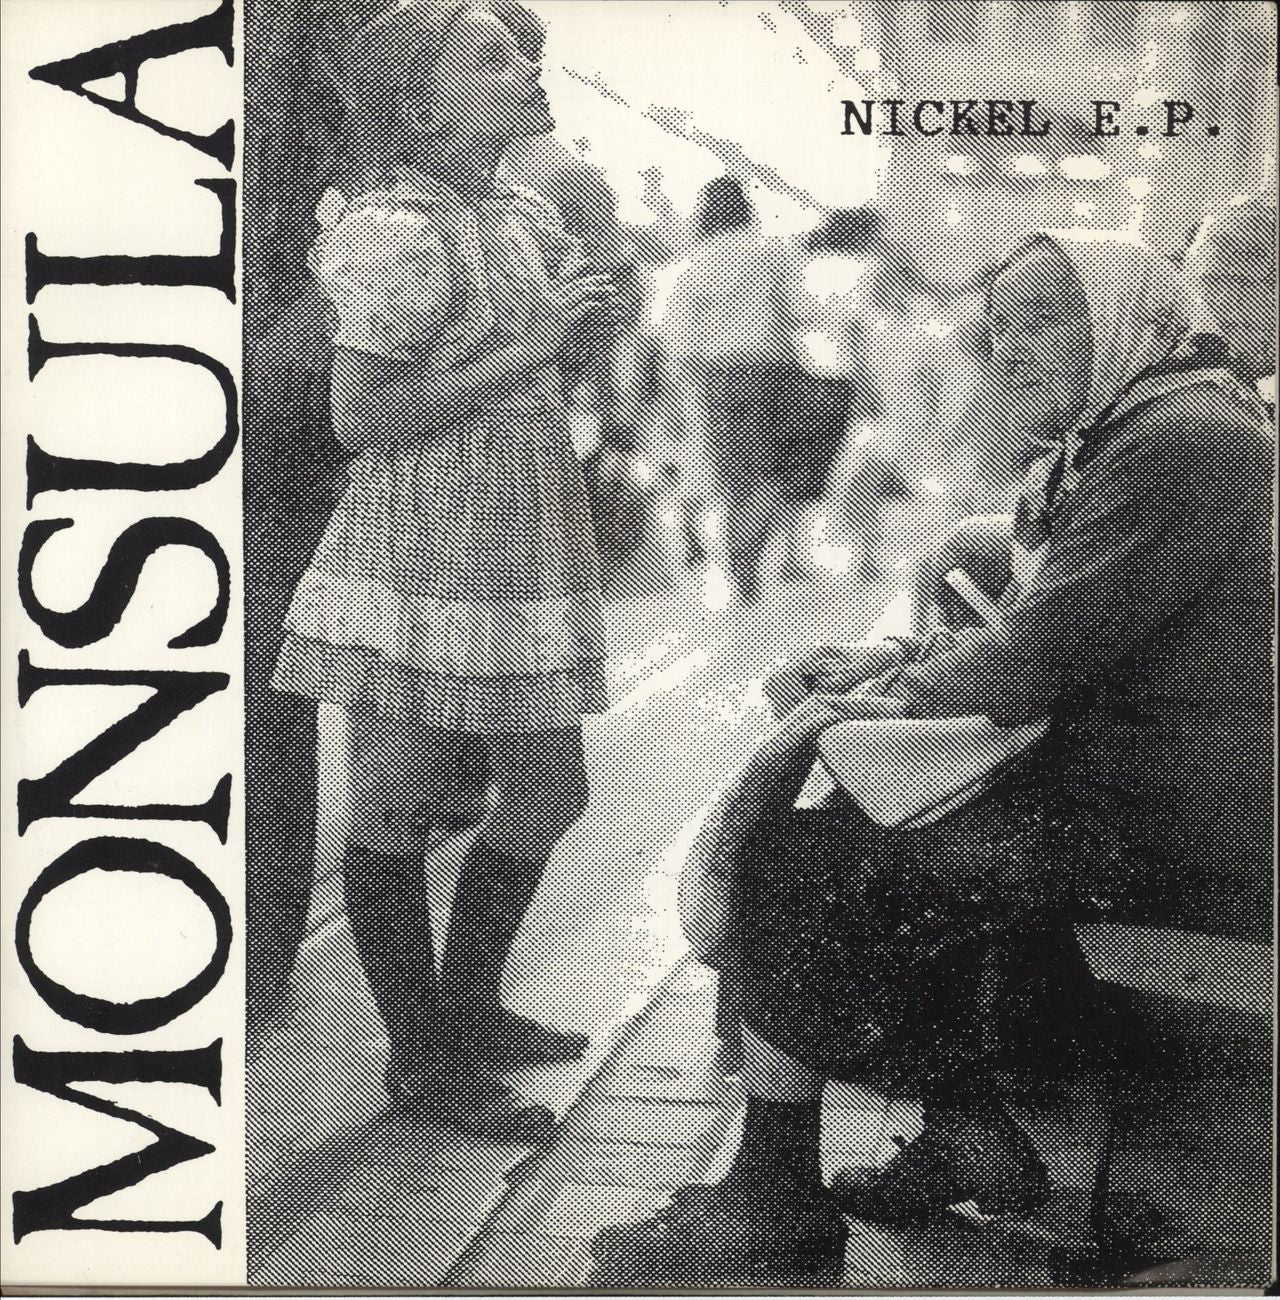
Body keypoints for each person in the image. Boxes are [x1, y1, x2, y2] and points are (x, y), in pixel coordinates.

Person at [589, 231, 1273, 1286]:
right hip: (1147, 783)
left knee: (804, 852)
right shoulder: (1141, 423)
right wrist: (889, 662)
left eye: (1044, 318)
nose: (1010, 350)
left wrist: (874, 695)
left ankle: (774, 1199)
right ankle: (968, 1130)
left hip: (1170, 819)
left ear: (1125, 311)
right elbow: (1054, 622)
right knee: (865, 823)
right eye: (998, 326)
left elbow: (1032, 660)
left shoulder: (1182, 441)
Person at [270, 0, 619, 1142]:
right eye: (492, 59)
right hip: (424, 541)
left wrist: (575, 332)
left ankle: (465, 1009)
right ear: (422, 108)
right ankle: (422, 1061)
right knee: (401, 800)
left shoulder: (518, 214)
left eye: (521, 55)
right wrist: (532, 350)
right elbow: (359, 416)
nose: (526, 69)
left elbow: (528, 360)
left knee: (551, 788)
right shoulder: (393, 231)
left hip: (518, 534)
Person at [658, 176, 805, 603]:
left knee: (731, 482)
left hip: (714, 379)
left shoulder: (693, 263)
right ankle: (749, 555)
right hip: (770, 374)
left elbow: (677, 339)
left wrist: (685, 394)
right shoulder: (772, 252)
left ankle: (740, 568)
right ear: (745, 209)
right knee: (771, 476)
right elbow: (797, 317)